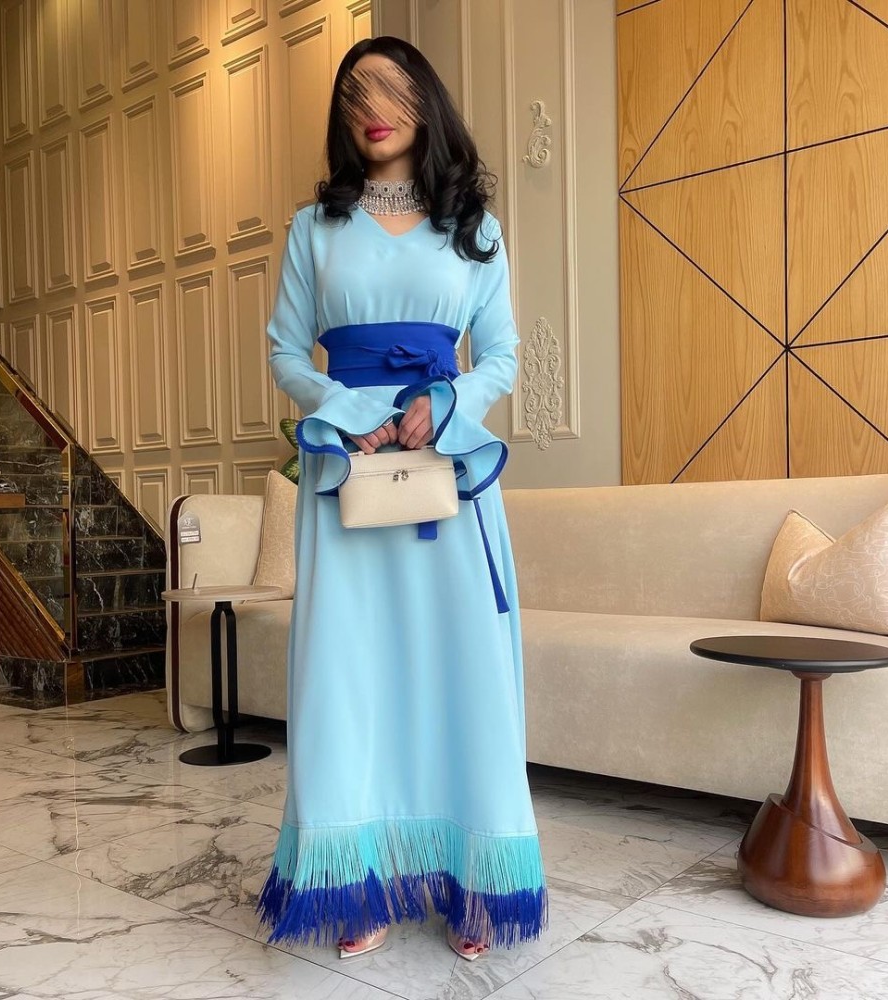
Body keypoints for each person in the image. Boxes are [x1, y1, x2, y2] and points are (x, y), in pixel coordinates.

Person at [256, 35, 547, 962]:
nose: (370, 109)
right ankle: (360, 879)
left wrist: (443, 404)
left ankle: (471, 879)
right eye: (354, 95)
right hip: (348, 474)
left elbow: (502, 353)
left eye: (388, 89)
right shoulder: (314, 227)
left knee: (461, 671)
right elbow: (285, 350)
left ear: (425, 100)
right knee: (348, 677)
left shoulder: (474, 227)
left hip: (446, 475)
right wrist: (348, 412)